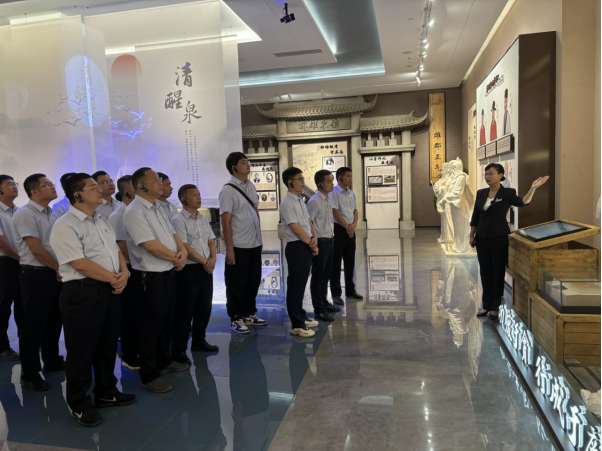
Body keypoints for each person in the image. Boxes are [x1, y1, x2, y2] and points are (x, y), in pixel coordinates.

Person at [50, 173, 136, 427]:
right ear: (78, 195)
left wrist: (124, 272)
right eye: (94, 187)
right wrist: (114, 278)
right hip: (82, 293)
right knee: (81, 350)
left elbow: (115, 250)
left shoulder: (101, 220)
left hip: (109, 288)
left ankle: (106, 392)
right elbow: (79, 263)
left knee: (107, 345)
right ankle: (79, 403)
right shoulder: (65, 225)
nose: (100, 190)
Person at [123, 168, 189, 394]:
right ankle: (149, 374)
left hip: (168, 272)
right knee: (150, 326)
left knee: (167, 322)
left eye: (160, 179)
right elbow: (148, 244)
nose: (160, 182)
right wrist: (175, 257)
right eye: (156, 180)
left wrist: (182, 252)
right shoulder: (134, 211)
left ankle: (164, 360)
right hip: (149, 276)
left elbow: (173, 234)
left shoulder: (158, 208)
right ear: (141, 186)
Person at [470, 164, 549, 321]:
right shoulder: (481, 193)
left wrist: (533, 188)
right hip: (482, 238)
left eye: (491, 173)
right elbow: (476, 215)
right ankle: (485, 304)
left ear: (500, 175)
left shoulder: (507, 193)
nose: (487, 176)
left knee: (497, 271)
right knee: (485, 272)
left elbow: (522, 202)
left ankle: (495, 306)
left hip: (499, 237)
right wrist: (471, 234)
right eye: (486, 174)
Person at [13, 174, 64, 391]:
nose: (53, 187)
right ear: (34, 191)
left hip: (52, 273)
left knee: (53, 320)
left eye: (52, 184)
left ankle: (52, 361)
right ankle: (30, 373)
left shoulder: (50, 214)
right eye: (48, 185)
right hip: (36, 275)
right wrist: (58, 268)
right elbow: (36, 249)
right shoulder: (26, 214)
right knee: (33, 325)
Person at [219, 152, 266, 335]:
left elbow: (255, 211)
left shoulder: (250, 185)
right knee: (236, 283)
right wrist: (229, 249)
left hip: (253, 243)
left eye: (247, 161)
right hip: (239, 245)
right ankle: (236, 317)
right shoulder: (227, 190)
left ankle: (248, 313)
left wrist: (259, 238)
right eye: (243, 162)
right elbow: (226, 221)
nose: (248, 164)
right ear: (234, 167)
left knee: (253, 280)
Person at [171, 184, 219, 364]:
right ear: (183, 199)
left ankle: (199, 341)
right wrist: (205, 261)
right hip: (189, 269)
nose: (199, 198)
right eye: (194, 195)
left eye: (199, 194)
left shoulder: (202, 218)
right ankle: (179, 350)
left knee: (204, 307)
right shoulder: (178, 220)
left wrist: (213, 259)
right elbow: (184, 247)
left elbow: (211, 240)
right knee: (185, 311)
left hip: (205, 267)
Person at [280, 167, 320, 339]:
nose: (303, 182)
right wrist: (311, 243)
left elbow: (308, 222)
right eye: (300, 179)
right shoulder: (286, 203)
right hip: (297, 247)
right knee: (295, 287)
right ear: (290, 183)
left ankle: (301, 316)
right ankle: (296, 325)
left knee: (301, 285)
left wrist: (315, 237)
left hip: (306, 244)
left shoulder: (299, 200)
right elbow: (295, 228)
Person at [109, 176, 140, 372]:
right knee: (130, 314)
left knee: (140, 313)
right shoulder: (117, 216)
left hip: (141, 267)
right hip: (129, 269)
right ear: (127, 192)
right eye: (137, 187)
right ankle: (130, 355)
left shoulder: (140, 211)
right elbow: (122, 247)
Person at [307, 170, 340, 321]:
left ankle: (324, 303)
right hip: (320, 242)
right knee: (318, 277)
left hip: (329, 240)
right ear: (320, 184)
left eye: (332, 181)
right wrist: (313, 243)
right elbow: (308, 223)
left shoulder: (327, 199)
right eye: (328, 181)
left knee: (326, 275)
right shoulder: (314, 201)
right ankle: (318, 309)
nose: (332, 184)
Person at [330, 167, 363, 306]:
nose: (350, 178)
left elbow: (355, 211)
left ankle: (350, 290)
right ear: (340, 178)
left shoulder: (351, 193)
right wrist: (347, 227)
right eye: (348, 176)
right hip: (338, 230)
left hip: (350, 229)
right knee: (336, 264)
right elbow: (335, 212)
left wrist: (353, 225)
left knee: (350, 262)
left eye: (351, 176)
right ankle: (336, 294)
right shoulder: (334, 193)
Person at [0, 175, 22, 361]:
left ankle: (28, 340)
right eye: (9, 184)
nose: (14, 186)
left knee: (23, 304)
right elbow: (1, 243)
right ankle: (2, 348)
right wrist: (20, 258)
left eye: (15, 183)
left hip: (21, 262)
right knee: (2, 307)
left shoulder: (19, 211)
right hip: (4, 263)